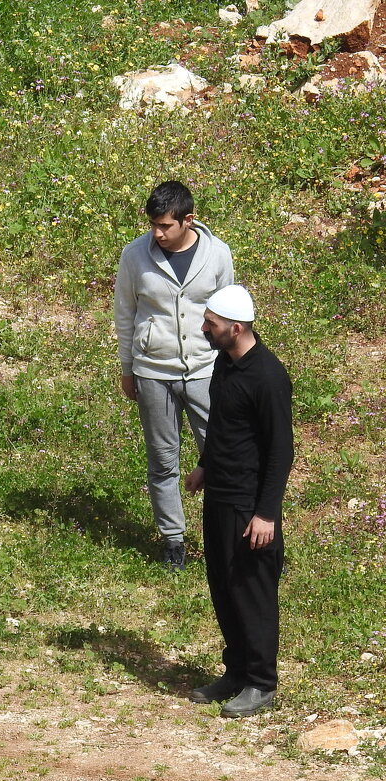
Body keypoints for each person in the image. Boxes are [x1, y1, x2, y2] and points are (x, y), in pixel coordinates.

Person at [184, 284, 293, 718]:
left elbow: (280, 450)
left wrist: (266, 512)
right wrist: (205, 465)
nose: (204, 329)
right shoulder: (226, 364)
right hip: (220, 496)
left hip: (250, 506)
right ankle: (236, 672)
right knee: (224, 587)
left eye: (211, 324)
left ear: (235, 327)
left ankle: (262, 682)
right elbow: (225, 427)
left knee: (253, 592)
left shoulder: (267, 376)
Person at [114, 181, 234, 570]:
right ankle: (172, 541)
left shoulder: (217, 254)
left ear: (188, 220)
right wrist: (128, 368)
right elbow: (126, 315)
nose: (158, 234)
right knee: (162, 459)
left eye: (165, 226)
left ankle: (233, 536)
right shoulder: (135, 255)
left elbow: (229, 315)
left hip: (206, 370)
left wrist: (232, 368)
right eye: (153, 225)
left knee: (222, 454)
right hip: (152, 372)